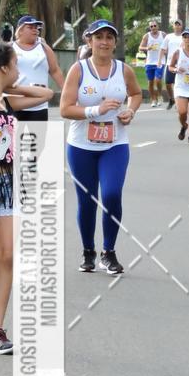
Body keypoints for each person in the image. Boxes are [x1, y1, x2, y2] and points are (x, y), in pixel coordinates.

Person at [60, 20, 142, 275]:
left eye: (109, 37)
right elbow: (65, 109)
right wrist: (96, 110)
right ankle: (88, 251)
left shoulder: (124, 70)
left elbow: (136, 93)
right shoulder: (78, 70)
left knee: (112, 194)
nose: (104, 42)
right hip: (81, 145)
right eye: (99, 37)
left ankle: (109, 251)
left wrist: (130, 110)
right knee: (87, 201)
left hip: (114, 144)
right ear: (89, 41)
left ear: (115, 42)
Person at [0, 42, 54, 353]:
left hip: (5, 184)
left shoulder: (8, 101)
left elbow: (45, 95)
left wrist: (14, 85)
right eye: (16, 64)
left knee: (6, 255)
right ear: (3, 66)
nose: (20, 70)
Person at [12, 15, 64, 122]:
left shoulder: (44, 48)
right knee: (12, 138)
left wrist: (67, 91)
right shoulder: (10, 48)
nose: (35, 30)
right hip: (15, 104)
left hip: (39, 106)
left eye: (36, 27)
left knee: (37, 138)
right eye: (30, 27)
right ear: (20, 30)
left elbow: (55, 71)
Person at [158, 19, 184, 110]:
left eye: (179, 25)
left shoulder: (184, 37)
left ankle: (178, 102)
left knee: (178, 84)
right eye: (175, 25)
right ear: (173, 26)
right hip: (170, 64)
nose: (177, 26)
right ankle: (171, 99)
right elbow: (163, 49)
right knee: (168, 83)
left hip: (181, 64)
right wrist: (159, 61)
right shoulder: (169, 37)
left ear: (181, 26)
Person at [138, 20, 165, 107]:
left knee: (158, 80)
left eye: (154, 25)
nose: (153, 27)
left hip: (160, 61)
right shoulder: (147, 36)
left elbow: (169, 44)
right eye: (151, 26)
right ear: (149, 28)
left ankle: (160, 96)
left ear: (158, 26)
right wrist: (147, 48)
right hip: (150, 62)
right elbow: (140, 47)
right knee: (150, 82)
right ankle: (153, 99)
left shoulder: (163, 35)